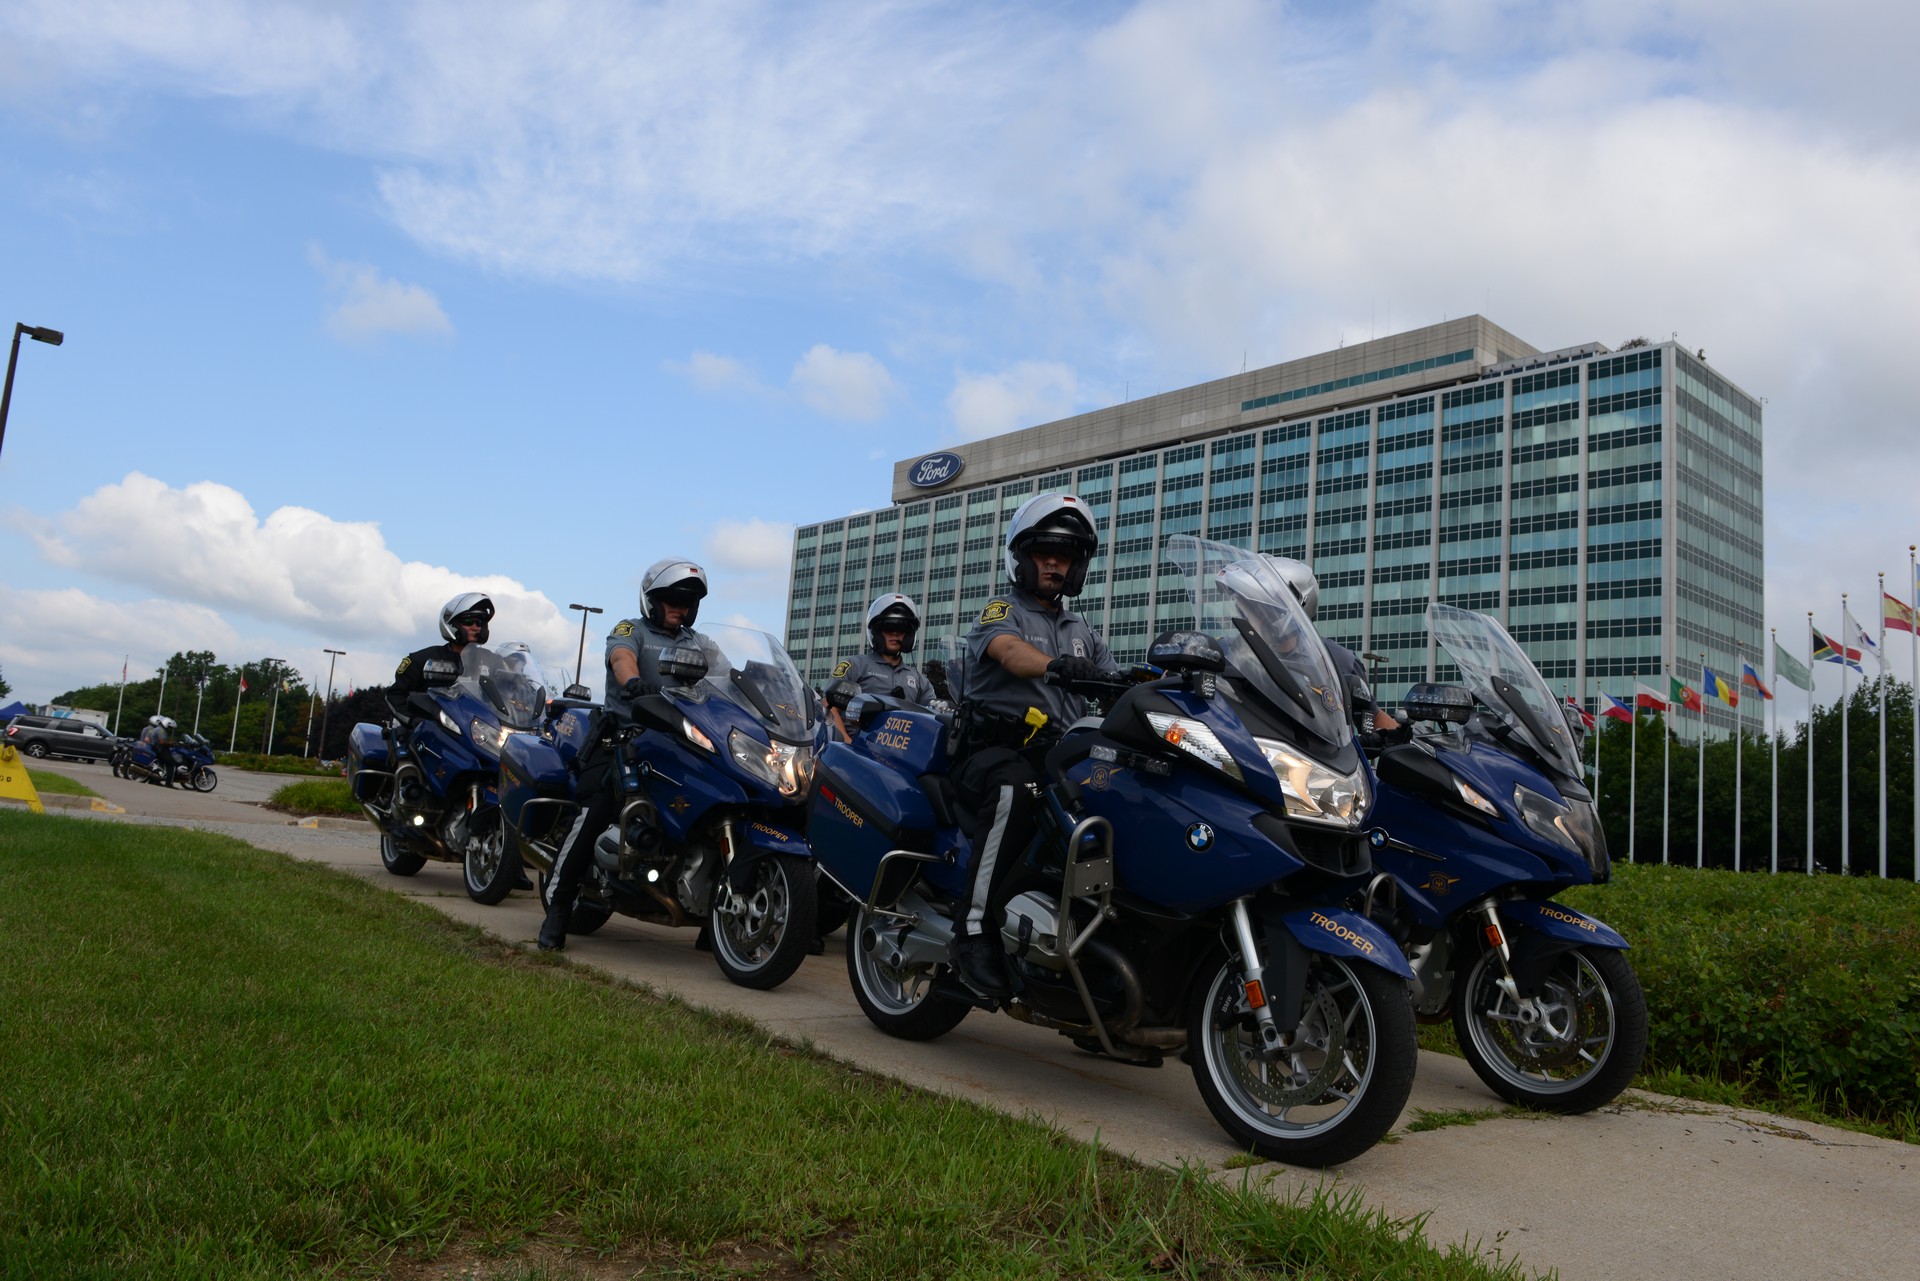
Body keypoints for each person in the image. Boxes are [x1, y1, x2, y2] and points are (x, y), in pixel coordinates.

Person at [946, 493, 1112, 1001]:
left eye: (1064, 555)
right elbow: (1009, 652)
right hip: (992, 752)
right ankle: (971, 931)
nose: (1054, 563)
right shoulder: (1003, 610)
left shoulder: (1082, 630)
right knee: (1017, 790)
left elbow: (1112, 679)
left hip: (1058, 757)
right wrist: (1054, 665)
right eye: (1043, 552)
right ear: (1022, 558)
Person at [538, 558, 710, 952]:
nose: (679, 608)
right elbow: (621, 658)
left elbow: (728, 676)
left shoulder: (698, 643)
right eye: (671, 599)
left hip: (679, 743)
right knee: (597, 808)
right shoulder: (630, 630)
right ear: (652, 600)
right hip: (623, 737)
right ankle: (559, 906)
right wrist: (633, 682)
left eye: (686, 602)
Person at [1265, 557, 1404, 738]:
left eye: (1267, 605)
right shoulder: (1237, 651)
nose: (1250, 610)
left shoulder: (1337, 659)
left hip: (1319, 757)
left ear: (1292, 606)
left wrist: (1404, 743)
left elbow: (1373, 716)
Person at [827, 593, 936, 738]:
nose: (895, 634)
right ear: (877, 632)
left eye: (901, 629)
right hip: (856, 751)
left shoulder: (920, 681)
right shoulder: (855, 665)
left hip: (900, 753)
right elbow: (828, 705)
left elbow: (932, 720)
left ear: (909, 635)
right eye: (888, 628)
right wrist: (845, 741)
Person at [390, 592, 494, 701]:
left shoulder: (494, 662)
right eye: (468, 621)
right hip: (434, 717)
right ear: (452, 624)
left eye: (480, 622)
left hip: (482, 718)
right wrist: (414, 718)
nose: (476, 628)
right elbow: (395, 696)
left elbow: (510, 693)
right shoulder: (421, 660)